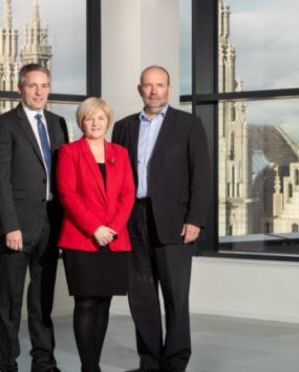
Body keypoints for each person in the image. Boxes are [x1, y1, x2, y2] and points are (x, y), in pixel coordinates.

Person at [112, 66, 210, 372]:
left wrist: (195, 219)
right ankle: (149, 361)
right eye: (148, 86)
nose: (154, 91)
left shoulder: (189, 125)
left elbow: (202, 176)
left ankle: (176, 361)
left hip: (175, 221)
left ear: (168, 88)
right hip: (133, 220)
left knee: (175, 297)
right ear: (139, 89)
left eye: (160, 85)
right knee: (141, 297)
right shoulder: (124, 126)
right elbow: (116, 177)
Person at [0, 63, 68, 372]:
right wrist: (11, 225)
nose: (39, 91)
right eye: (33, 85)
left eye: (44, 85)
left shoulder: (58, 123)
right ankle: (7, 365)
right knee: (10, 303)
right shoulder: (5, 124)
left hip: (51, 224)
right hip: (18, 228)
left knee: (42, 299)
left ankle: (44, 363)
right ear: (21, 88)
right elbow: (0, 178)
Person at [56, 97, 135, 372]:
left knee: (103, 303)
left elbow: (128, 195)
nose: (95, 123)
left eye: (100, 118)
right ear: (82, 122)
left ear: (107, 121)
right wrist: (95, 228)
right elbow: (67, 194)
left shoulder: (120, 153)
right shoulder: (69, 152)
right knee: (86, 302)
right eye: (90, 118)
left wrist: (111, 228)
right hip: (82, 239)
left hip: (114, 240)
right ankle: (87, 367)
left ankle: (95, 364)